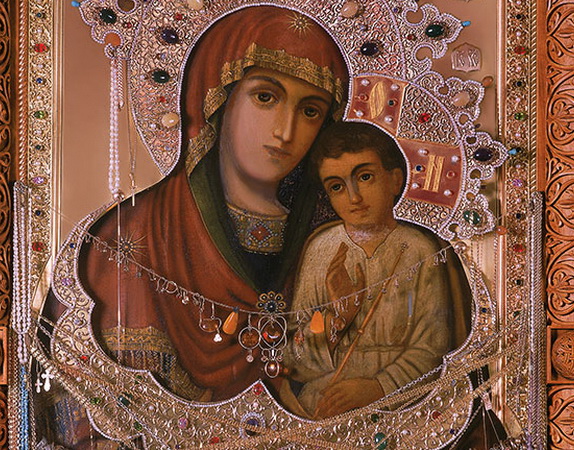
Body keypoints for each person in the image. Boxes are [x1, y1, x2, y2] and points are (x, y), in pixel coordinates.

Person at [41, 6, 348, 447]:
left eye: (311, 110)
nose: (285, 131)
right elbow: (84, 415)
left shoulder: (339, 241)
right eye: (265, 97)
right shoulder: (131, 238)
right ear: (215, 95)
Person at [282, 122, 453, 419]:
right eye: (337, 186)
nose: (354, 198)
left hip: (402, 406)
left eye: (364, 177)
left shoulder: (419, 249)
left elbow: (433, 347)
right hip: (324, 404)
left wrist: (378, 387)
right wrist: (338, 318)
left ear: (395, 180)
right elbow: (294, 362)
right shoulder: (321, 250)